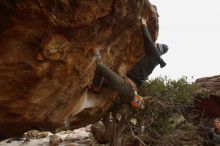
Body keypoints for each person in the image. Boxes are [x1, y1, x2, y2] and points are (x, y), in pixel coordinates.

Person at [89, 17, 169, 108]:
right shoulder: (154, 58)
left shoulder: (154, 54)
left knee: (100, 67)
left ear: (157, 48)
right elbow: (150, 45)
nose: (154, 44)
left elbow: (148, 40)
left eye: (156, 45)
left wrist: (144, 25)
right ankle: (97, 87)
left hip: (127, 86)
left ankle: (95, 89)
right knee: (103, 81)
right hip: (129, 88)